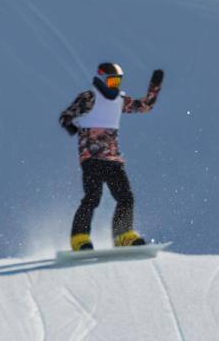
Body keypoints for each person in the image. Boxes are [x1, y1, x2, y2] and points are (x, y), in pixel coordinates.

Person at [59, 62, 164, 252]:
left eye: (118, 82)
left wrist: (155, 86)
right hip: (91, 157)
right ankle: (79, 239)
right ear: (101, 79)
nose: (115, 86)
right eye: (112, 81)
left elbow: (145, 107)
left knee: (126, 197)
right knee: (92, 197)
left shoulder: (119, 100)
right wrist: (71, 125)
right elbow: (66, 116)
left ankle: (123, 236)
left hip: (112, 158)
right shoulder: (89, 98)